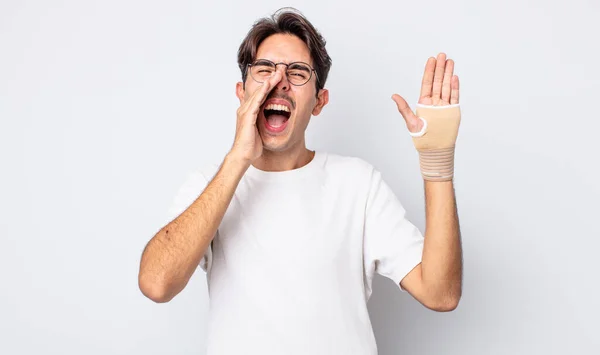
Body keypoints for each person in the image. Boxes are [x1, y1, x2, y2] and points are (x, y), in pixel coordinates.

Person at [138, 7, 463, 355]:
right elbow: (157, 284)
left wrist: (436, 159)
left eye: (297, 73)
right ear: (241, 92)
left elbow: (440, 293)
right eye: (264, 70)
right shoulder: (209, 184)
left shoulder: (357, 184)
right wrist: (238, 159)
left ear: (319, 102)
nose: (278, 82)